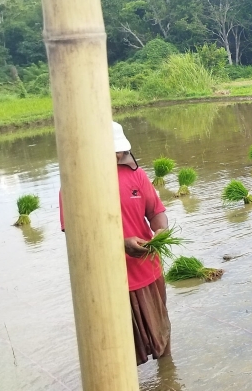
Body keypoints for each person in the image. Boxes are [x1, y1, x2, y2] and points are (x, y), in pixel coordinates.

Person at [59, 122, 171, 366]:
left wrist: (161, 231)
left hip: (147, 270)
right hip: (106, 283)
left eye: (120, 151)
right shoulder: (75, 184)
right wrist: (120, 244)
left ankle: (167, 378)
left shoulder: (135, 174)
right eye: (112, 151)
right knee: (115, 355)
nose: (118, 155)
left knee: (162, 339)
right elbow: (76, 238)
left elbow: (156, 211)